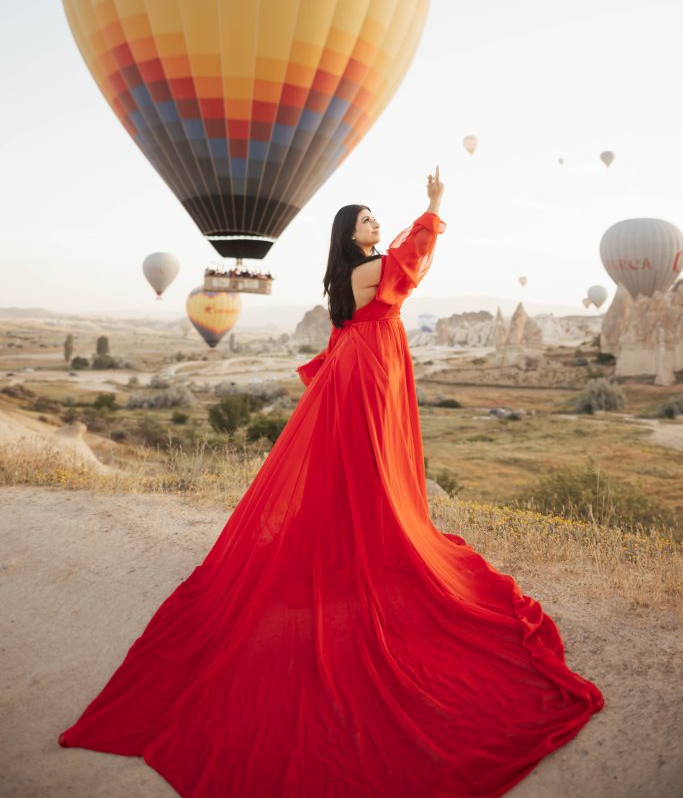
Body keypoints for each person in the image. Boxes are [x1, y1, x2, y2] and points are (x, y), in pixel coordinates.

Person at [57, 165, 604, 796]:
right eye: (366, 218)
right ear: (350, 234)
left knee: (364, 464)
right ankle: (372, 547)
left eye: (376, 216)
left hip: (368, 362)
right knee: (370, 461)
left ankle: (362, 538)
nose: (375, 222)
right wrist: (434, 205)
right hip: (370, 370)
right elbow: (414, 259)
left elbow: (388, 281)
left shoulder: (358, 271)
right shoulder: (366, 269)